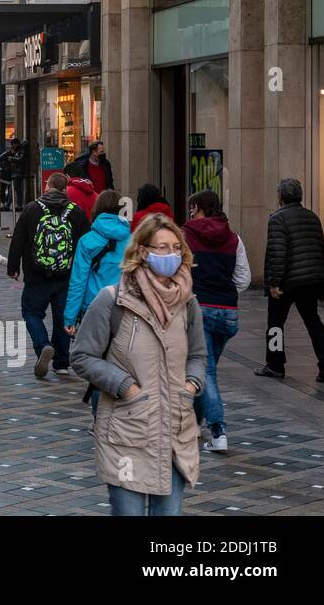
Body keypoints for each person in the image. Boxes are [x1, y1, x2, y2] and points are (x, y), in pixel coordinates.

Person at [70, 213, 206, 516]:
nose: (170, 254)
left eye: (176, 248)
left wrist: (191, 385)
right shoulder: (113, 300)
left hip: (175, 431)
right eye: (162, 247)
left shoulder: (188, 302)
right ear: (142, 251)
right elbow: (82, 356)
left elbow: (198, 355)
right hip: (127, 432)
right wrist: (125, 387)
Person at [183, 189, 250, 452]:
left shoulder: (186, 235)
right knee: (204, 370)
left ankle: (219, 432)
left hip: (200, 310)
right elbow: (243, 279)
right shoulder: (234, 238)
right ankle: (195, 422)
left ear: (197, 207)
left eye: (192, 207)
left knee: (206, 372)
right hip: (228, 313)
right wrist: (224, 289)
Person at [7, 172, 90, 379]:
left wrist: (13, 266)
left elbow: (18, 239)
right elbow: (84, 246)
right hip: (65, 275)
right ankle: (61, 362)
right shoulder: (76, 212)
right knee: (63, 317)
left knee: (31, 312)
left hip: (36, 274)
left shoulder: (32, 209)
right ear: (65, 190)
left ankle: (43, 344)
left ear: (47, 187)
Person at [255, 178, 324, 383]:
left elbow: (278, 252)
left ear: (280, 196)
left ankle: (275, 365)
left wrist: (274, 283)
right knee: (314, 322)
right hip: (310, 280)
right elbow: (319, 248)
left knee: (276, 324)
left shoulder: (278, 218)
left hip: (287, 281)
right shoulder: (312, 217)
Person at [64, 189, 130, 336]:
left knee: (92, 355)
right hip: (124, 306)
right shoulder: (133, 241)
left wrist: (70, 317)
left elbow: (78, 281)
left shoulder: (87, 241)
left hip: (93, 307)